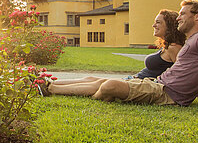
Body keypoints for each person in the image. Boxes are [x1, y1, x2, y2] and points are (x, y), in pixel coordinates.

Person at [43, 0, 198, 111]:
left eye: (183, 14)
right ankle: (49, 85)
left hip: (166, 93)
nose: (179, 18)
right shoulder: (192, 41)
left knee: (109, 85)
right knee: (102, 82)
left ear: (197, 16)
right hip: (156, 84)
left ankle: (50, 89)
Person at [48, 10, 185, 97]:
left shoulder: (174, 48)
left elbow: (183, 73)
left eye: (158, 22)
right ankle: (51, 83)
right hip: (135, 78)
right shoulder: (167, 45)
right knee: (90, 78)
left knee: (100, 83)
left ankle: (51, 88)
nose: (153, 25)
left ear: (170, 26)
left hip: (141, 83)